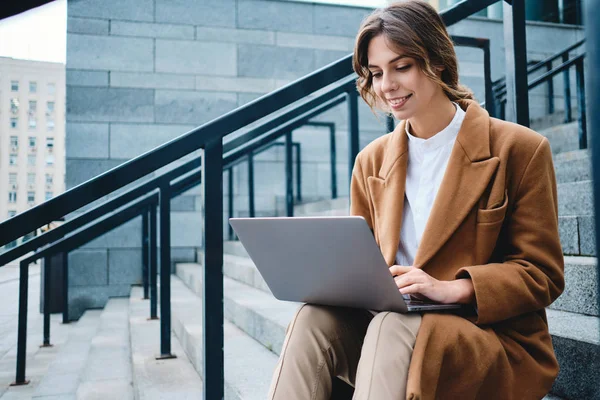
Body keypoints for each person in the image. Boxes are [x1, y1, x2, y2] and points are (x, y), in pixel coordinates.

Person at [268, 1, 564, 399]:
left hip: (486, 339)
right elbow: (362, 269)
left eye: (401, 66)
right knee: (311, 319)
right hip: (390, 330)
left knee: (394, 326)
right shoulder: (370, 162)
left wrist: (451, 288)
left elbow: (540, 273)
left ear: (437, 61)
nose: (386, 84)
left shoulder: (519, 149)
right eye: (375, 73)